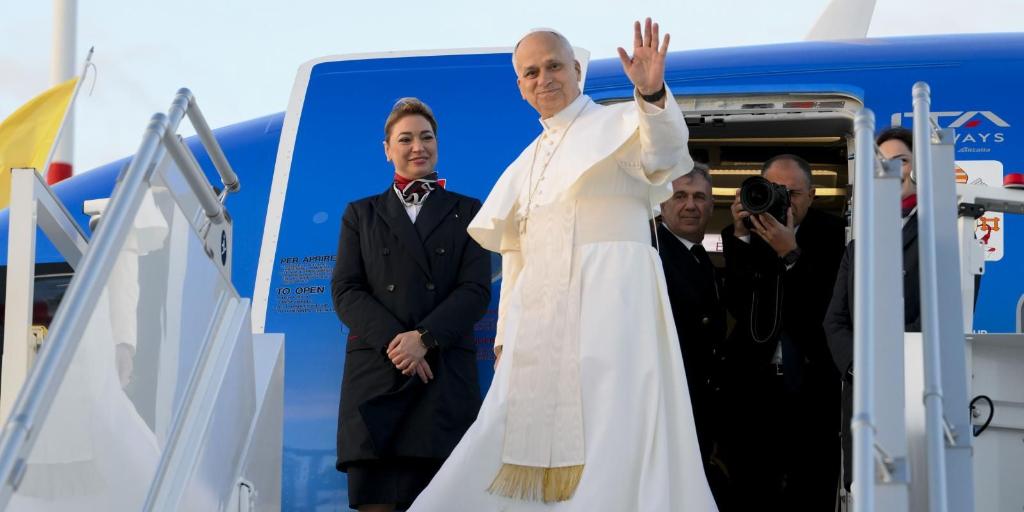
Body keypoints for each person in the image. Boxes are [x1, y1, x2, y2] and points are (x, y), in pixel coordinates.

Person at [409, 19, 717, 511]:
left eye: (553, 66)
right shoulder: (526, 162)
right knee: (506, 431)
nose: (544, 79)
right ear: (520, 86)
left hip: (613, 308)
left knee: (613, 426)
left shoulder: (621, 122)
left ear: (576, 69)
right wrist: (506, 337)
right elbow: (516, 256)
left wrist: (652, 92)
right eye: (530, 73)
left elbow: (664, 153)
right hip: (539, 328)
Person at [331, 98, 491, 512]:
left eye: (426, 137)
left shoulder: (468, 211)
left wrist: (425, 338)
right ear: (387, 149)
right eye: (405, 139)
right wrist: (400, 344)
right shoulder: (360, 214)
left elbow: (475, 291)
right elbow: (346, 290)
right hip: (378, 378)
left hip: (441, 379)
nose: (418, 146)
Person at [719, 154, 845, 510]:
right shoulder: (746, 232)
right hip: (756, 388)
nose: (784, 201)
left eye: (793, 193)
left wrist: (791, 253)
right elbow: (737, 306)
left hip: (813, 386)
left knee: (811, 485)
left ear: (813, 195)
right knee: (753, 486)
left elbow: (830, 308)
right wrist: (741, 236)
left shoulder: (837, 234)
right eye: (775, 190)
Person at [824, 126, 921, 493]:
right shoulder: (858, 246)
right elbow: (835, 321)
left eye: (902, 161)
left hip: (914, 398)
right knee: (865, 493)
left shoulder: (947, 233)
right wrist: (859, 367)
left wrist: (887, 364)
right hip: (862, 399)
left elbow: (945, 318)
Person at [656, 163, 731, 508]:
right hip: (669, 407)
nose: (690, 205)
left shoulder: (699, 256)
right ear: (662, 203)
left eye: (700, 197)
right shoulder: (652, 252)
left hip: (699, 407)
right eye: (680, 196)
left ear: (711, 206)